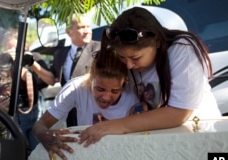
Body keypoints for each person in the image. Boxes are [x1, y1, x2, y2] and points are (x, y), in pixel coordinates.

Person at [78, 7, 221, 147]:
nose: (128, 66)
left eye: (135, 57)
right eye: (122, 58)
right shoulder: (132, 64)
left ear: (157, 42)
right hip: (168, 143)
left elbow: (179, 113)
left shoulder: (182, 49)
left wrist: (119, 125)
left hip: (203, 137)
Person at [32, 47, 139, 160]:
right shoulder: (76, 88)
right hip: (88, 158)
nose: (106, 97)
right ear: (91, 78)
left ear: (124, 83)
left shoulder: (133, 94)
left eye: (115, 91)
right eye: (100, 89)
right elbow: (39, 125)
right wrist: (45, 136)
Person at [44, 13, 101, 127]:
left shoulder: (101, 49)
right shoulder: (60, 54)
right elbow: (51, 79)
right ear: (69, 32)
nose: (87, 31)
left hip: (93, 113)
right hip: (70, 115)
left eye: (88, 26)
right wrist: (32, 63)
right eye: (81, 27)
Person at [2, 29, 50, 154]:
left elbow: (50, 79)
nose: (15, 52)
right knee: (18, 150)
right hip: (14, 113)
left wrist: (31, 63)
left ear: (25, 47)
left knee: (39, 149)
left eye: (18, 48)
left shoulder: (34, 58)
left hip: (36, 110)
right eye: (11, 48)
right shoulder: (3, 62)